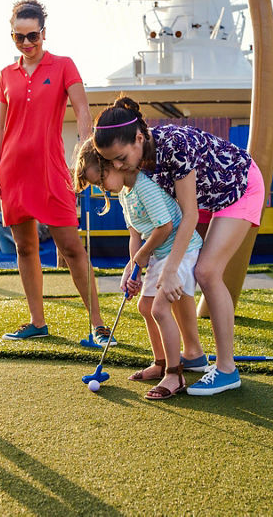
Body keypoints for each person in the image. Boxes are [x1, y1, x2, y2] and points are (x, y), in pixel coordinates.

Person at [93, 95, 263, 395]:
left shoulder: (173, 145)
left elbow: (189, 215)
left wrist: (169, 270)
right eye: (112, 162)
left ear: (138, 137)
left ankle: (227, 368)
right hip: (207, 198)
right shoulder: (140, 162)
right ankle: (194, 353)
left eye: (120, 157)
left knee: (206, 272)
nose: (119, 166)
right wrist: (138, 265)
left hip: (239, 188)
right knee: (184, 273)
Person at [0, 0, 109, 345]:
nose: (26, 44)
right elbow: (0, 127)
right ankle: (37, 321)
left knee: (71, 248)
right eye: (19, 37)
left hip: (51, 170)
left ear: (44, 33)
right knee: (25, 249)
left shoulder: (64, 65)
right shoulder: (5, 75)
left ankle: (98, 324)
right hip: (13, 171)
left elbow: (82, 110)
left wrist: (87, 150)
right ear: (12, 36)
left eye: (33, 36)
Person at [74, 141, 209, 400]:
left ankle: (175, 373)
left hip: (182, 249)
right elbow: (135, 235)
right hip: (160, 252)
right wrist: (131, 268)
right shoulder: (125, 193)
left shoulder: (144, 187)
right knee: (145, 307)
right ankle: (160, 363)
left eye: (101, 179)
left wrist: (142, 256)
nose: (102, 187)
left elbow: (165, 227)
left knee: (159, 308)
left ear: (113, 163)